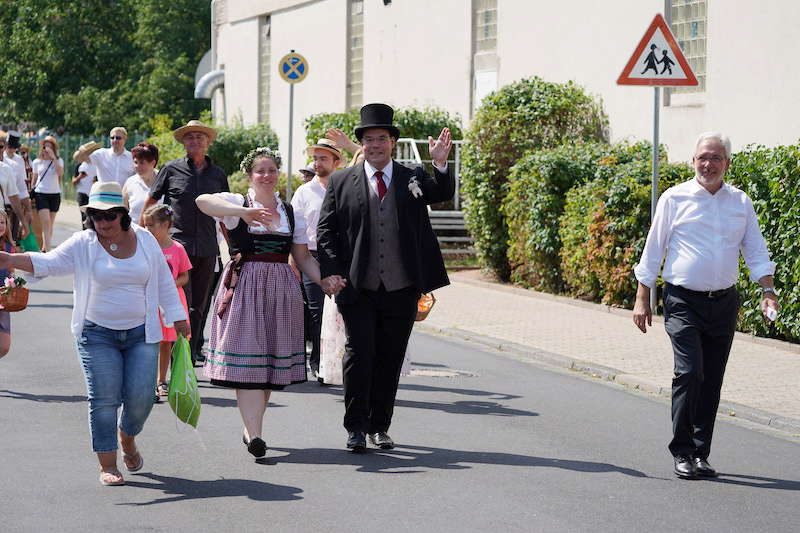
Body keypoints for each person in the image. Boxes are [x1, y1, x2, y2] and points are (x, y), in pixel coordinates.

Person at [0, 181, 189, 485]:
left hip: (142, 333)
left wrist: (178, 317)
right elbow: (50, 262)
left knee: (141, 399)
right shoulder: (84, 242)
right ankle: (108, 463)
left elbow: (165, 283)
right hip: (96, 334)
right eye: (96, 217)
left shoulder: (145, 240)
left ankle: (127, 439)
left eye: (109, 216)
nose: (103, 223)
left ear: (122, 214)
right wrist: (10, 259)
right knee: (103, 398)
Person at [632, 132, 779, 480]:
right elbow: (654, 250)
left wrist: (768, 291)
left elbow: (755, 251)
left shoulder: (740, 203)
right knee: (690, 372)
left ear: (727, 163)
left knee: (711, 378)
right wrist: (642, 297)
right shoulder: (674, 198)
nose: (708, 164)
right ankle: (681, 450)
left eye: (715, 158)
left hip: (724, 303)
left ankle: (700, 454)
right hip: (683, 300)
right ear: (693, 161)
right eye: (702, 157)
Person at [317, 103, 454, 452]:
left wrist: (439, 164)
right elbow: (326, 231)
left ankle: (380, 426)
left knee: (390, 357)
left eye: (381, 138)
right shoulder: (341, 180)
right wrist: (331, 273)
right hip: (357, 285)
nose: (375, 145)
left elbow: (442, 193)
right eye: (368, 139)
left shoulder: (412, 176)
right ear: (361, 144)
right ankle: (356, 427)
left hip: (401, 285)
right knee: (359, 354)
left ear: (392, 142)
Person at [196, 147, 343, 458]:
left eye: (272, 170)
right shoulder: (236, 203)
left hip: (281, 289)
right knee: (249, 361)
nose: (266, 175)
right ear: (249, 176)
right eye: (260, 171)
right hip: (246, 286)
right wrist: (244, 214)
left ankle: (252, 428)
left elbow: (302, 257)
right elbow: (202, 202)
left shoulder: (291, 213)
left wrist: (324, 281)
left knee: (266, 365)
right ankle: (255, 433)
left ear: (279, 174)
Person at [143, 120, 228, 364]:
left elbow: (225, 211)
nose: (195, 141)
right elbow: (151, 202)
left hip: (207, 246)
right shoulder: (171, 169)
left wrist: (232, 247)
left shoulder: (218, 174)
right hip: (177, 247)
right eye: (190, 137)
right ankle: (172, 350)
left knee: (200, 304)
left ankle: (192, 348)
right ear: (184, 143)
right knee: (179, 299)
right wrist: (142, 235)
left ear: (208, 141)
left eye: (200, 137)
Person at [291, 138, 342, 380]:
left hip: (340, 257)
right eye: (316, 158)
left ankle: (338, 360)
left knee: (341, 312)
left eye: (323, 158)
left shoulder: (345, 187)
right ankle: (318, 362)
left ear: (336, 162)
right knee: (317, 312)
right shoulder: (303, 192)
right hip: (310, 256)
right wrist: (293, 263)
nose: (318, 163)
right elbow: (294, 230)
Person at [142, 204, 191, 401]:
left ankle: (162, 380)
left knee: (166, 343)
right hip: (150, 302)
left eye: (151, 225)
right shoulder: (144, 246)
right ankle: (147, 382)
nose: (147, 230)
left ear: (166, 225)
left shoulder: (178, 249)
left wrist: (169, 285)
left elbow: (184, 276)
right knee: (150, 342)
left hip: (171, 302)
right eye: (145, 226)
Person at [31, 136, 64, 252]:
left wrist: (53, 158)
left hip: (55, 194)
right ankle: (49, 252)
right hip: (41, 193)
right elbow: (34, 179)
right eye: (46, 145)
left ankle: (45, 248)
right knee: (46, 222)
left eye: (50, 145)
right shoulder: (37, 162)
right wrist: (31, 192)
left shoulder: (59, 161)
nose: (47, 148)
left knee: (50, 224)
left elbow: (60, 173)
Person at [2, 131, 31, 242]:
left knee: (10, 245)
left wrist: (28, 211)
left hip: (10, 211)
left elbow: (21, 190)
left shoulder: (15, 163)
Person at [123, 142, 160, 224]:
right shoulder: (130, 183)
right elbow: (123, 212)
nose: (137, 166)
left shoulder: (165, 180)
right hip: (136, 234)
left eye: (142, 163)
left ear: (153, 163)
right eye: (136, 162)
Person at [72, 142, 102, 226]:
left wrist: (96, 181)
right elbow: (74, 182)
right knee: (84, 217)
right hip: (82, 193)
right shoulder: (80, 166)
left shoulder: (98, 165)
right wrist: (80, 177)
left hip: (94, 194)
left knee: (94, 217)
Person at [0, 210, 16, 358]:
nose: (0, 226)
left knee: (4, 346)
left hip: (2, 301)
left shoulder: (9, 247)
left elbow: (11, 273)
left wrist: (13, 284)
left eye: (2, 222)